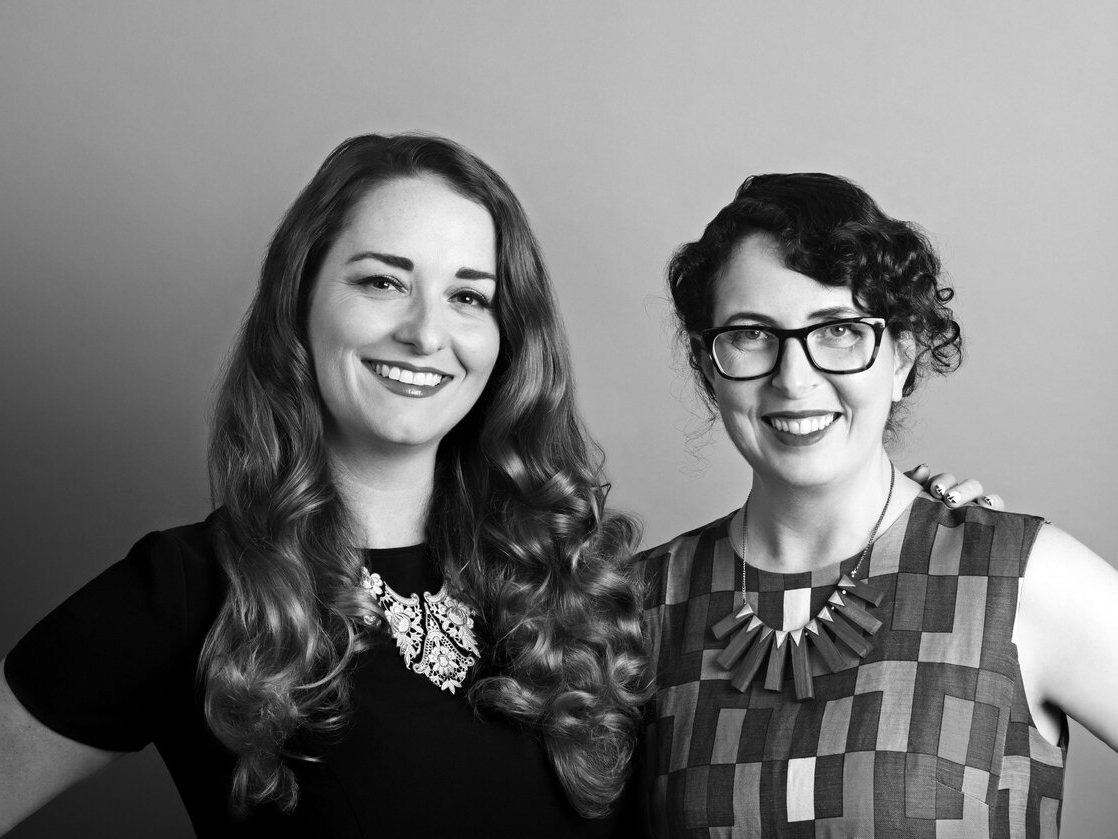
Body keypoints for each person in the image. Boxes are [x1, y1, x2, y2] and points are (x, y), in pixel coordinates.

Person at [0, 133, 649, 837]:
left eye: (468, 296)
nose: (426, 333)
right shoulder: (195, 589)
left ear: (507, 338)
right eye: (383, 282)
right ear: (301, 300)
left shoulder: (570, 586)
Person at [637, 173, 1118, 837]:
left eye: (838, 329)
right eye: (751, 333)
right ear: (706, 365)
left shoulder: (1022, 578)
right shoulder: (638, 605)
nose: (794, 379)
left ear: (902, 355)